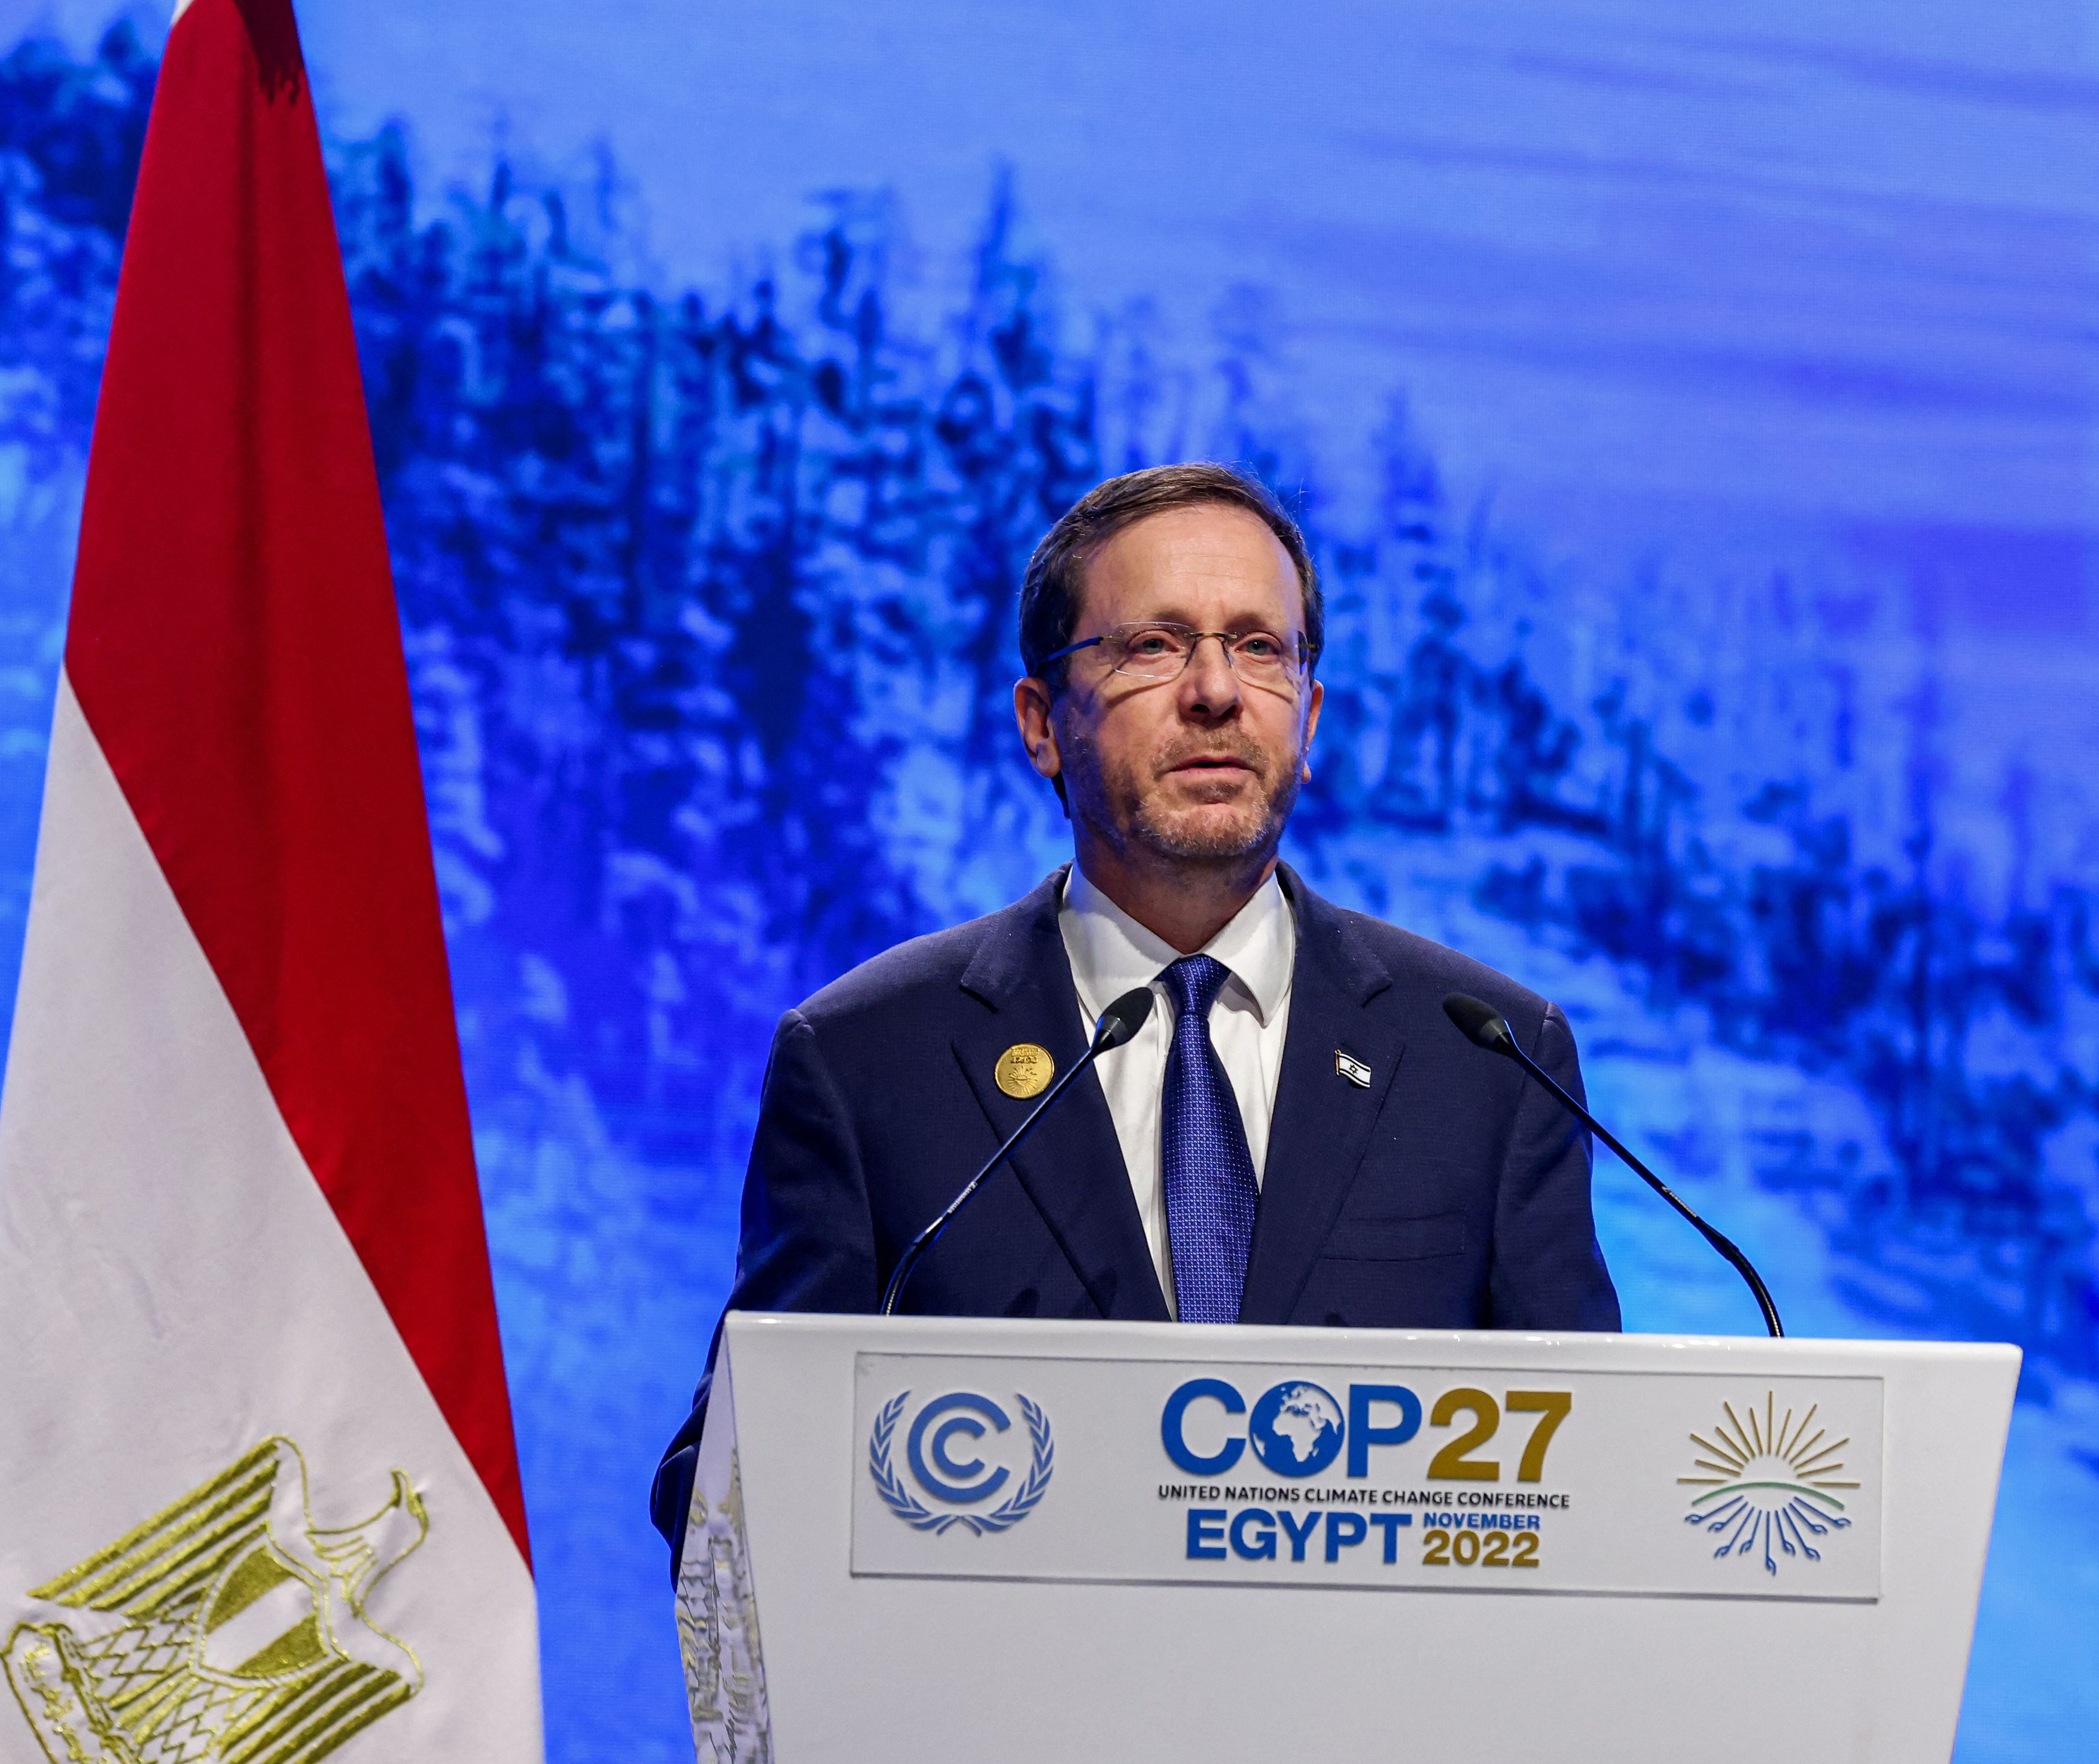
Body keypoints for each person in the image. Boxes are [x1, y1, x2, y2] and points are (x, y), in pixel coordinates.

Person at [648, 462, 1619, 1558]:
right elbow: (729, 1482)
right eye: (1151, 646)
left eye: (1260, 646)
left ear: (1308, 714)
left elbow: (1589, 1475)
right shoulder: (872, 1058)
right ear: (1041, 723)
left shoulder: (1482, 1055)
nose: (1214, 690)